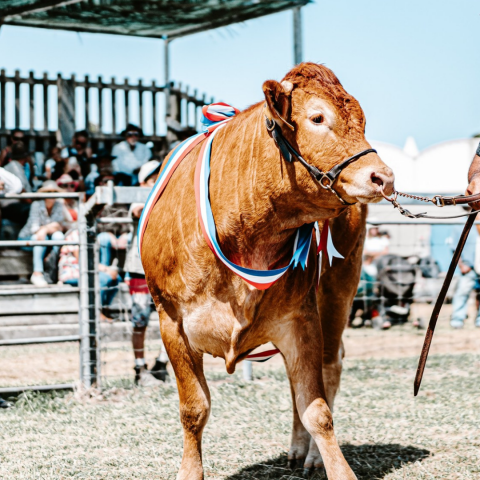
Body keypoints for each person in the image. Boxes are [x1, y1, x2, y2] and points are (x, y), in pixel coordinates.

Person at [124, 160, 169, 386]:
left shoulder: (168, 191)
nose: (156, 179)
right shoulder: (141, 197)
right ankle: (139, 367)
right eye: (152, 177)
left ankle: (162, 364)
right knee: (140, 320)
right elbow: (136, 210)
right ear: (143, 181)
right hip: (139, 268)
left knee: (171, 319)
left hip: (164, 267)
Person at [58, 229, 119, 320]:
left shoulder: (92, 233)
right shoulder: (76, 234)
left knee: (116, 279)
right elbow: (82, 261)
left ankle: (105, 308)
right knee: (103, 279)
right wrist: (106, 269)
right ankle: (97, 312)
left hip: (89, 270)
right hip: (73, 273)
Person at [18, 181, 70, 286]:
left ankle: (55, 272)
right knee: (41, 237)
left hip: (47, 237)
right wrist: (47, 229)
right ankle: (37, 273)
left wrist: (45, 229)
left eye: (54, 192)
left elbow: (58, 226)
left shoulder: (59, 205)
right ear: (44, 194)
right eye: (48, 192)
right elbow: (34, 228)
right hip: (26, 238)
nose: (51, 194)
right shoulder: (36, 204)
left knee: (58, 236)